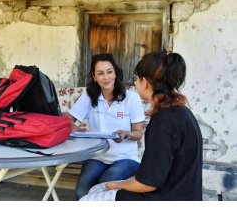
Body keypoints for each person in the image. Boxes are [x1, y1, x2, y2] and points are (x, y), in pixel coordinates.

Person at [79, 50, 203, 201]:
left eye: (136, 78)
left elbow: (148, 183)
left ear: (144, 82)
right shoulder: (182, 112)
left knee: (88, 199)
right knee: (95, 189)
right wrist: (118, 184)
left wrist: (119, 185)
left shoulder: (163, 122)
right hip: (182, 194)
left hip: (164, 197)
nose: (135, 83)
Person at [67, 53, 145, 200]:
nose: (106, 77)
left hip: (126, 158)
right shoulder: (89, 97)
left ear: (115, 73)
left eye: (109, 72)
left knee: (106, 183)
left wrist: (126, 134)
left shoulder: (131, 98)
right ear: (94, 77)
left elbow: (138, 133)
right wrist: (77, 130)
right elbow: (67, 121)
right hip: (98, 156)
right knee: (81, 193)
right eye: (100, 73)